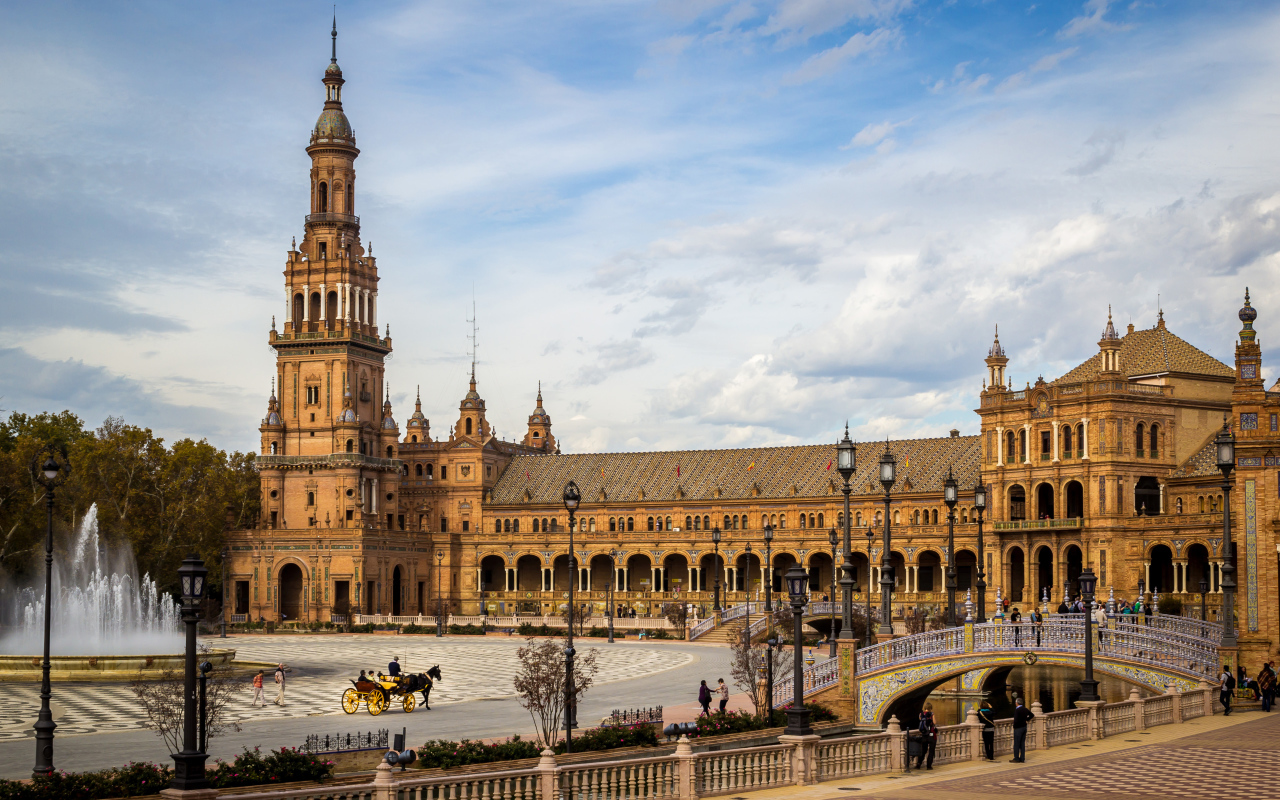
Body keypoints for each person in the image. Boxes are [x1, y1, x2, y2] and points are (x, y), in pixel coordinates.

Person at [915, 702, 938, 770]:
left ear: (924, 707)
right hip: (931, 734)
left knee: (923, 750)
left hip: (924, 735)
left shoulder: (921, 714)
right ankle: (929, 766)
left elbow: (920, 721)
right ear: (930, 708)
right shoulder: (931, 714)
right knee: (931, 751)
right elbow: (934, 722)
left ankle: (919, 764)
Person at [1010, 696, 1032, 762]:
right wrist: (1026, 719)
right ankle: (1022, 758)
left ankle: (1016, 758)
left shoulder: (1017, 710)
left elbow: (1016, 720)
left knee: (1016, 743)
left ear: (1016, 703)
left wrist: (1014, 726)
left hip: (1018, 728)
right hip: (1024, 727)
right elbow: (1032, 715)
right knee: (1022, 743)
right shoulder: (1025, 709)